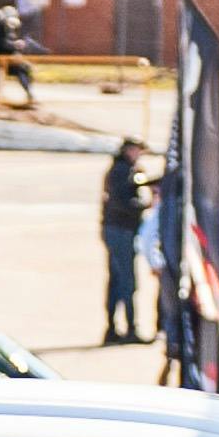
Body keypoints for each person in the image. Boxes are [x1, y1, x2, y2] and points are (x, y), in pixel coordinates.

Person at [99, 139, 151, 343]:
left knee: (117, 281)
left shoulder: (126, 169)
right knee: (126, 282)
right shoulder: (121, 171)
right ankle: (128, 328)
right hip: (120, 230)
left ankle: (113, 328)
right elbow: (121, 201)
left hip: (116, 229)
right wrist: (144, 206)